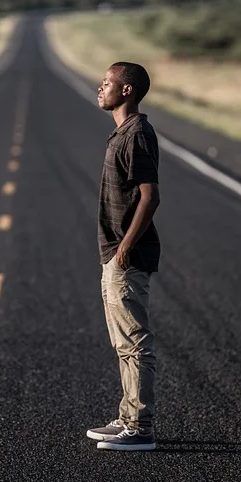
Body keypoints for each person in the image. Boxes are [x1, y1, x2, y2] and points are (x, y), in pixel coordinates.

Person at [87, 62, 161, 451]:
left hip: (125, 257)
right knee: (123, 345)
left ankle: (141, 428)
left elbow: (150, 196)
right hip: (115, 254)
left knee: (135, 343)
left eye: (107, 84)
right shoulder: (122, 133)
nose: (100, 89)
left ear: (127, 90)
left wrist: (124, 250)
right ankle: (128, 417)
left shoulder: (136, 134)